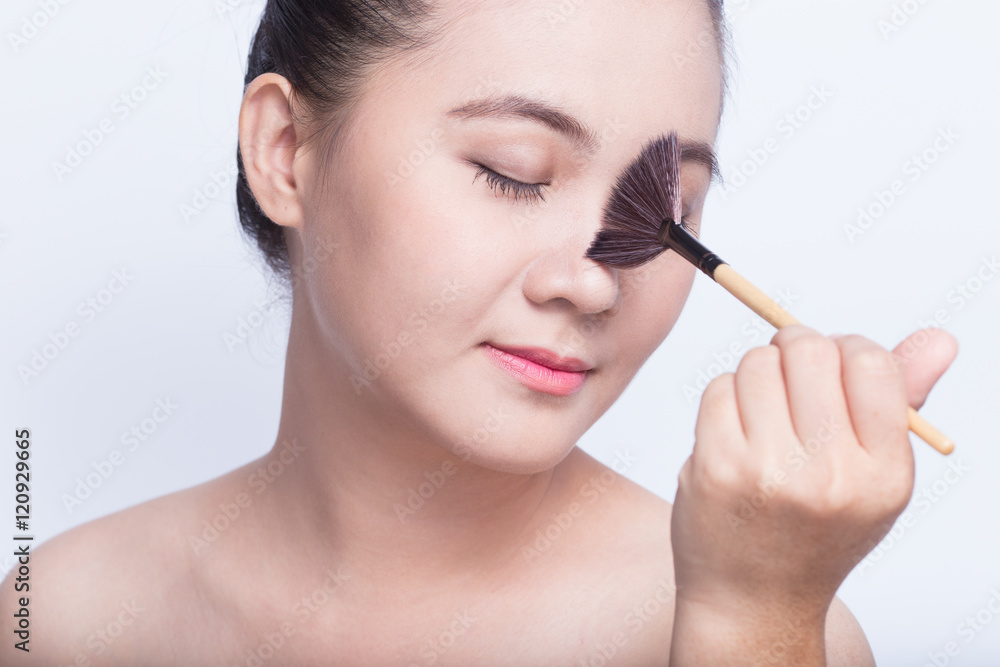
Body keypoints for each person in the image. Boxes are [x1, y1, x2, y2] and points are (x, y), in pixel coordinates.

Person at [2, 0, 958, 664]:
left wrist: (753, 625)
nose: (593, 279)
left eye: (671, 214)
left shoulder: (774, 630)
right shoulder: (54, 621)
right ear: (286, 153)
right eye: (514, 170)